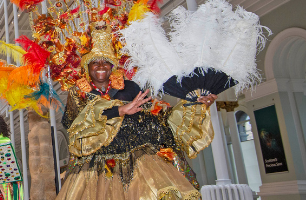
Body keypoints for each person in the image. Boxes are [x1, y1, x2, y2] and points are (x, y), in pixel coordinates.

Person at [56, 24, 217, 199]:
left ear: (112, 66)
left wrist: (194, 104)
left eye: (105, 62)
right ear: (87, 66)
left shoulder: (130, 87)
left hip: (140, 158)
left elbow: (158, 114)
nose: (100, 66)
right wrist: (120, 110)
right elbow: (76, 125)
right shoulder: (78, 92)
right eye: (95, 62)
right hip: (95, 164)